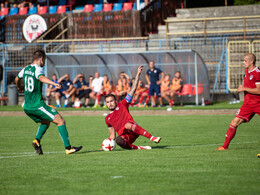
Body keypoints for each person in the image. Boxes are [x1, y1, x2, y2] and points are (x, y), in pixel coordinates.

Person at [15, 49, 82, 155]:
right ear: (41, 59)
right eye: (44, 60)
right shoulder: (38, 69)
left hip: (27, 106)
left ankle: (36, 141)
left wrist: (19, 87)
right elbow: (41, 77)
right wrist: (54, 83)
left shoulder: (26, 68)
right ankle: (68, 148)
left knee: (46, 122)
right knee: (60, 121)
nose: (44, 63)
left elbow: (17, 79)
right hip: (37, 105)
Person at [104, 65, 161, 150]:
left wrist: (138, 74)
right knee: (118, 140)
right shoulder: (107, 118)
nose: (110, 104)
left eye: (111, 101)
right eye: (108, 102)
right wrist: (105, 145)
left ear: (116, 101)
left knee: (127, 125)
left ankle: (152, 137)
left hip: (133, 129)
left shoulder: (122, 104)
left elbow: (133, 90)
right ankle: (139, 148)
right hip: (126, 136)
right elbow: (112, 135)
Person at [217, 53, 260, 151]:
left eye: (245, 61)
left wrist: (243, 88)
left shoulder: (257, 73)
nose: (243, 62)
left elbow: (259, 90)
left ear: (251, 61)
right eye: (243, 60)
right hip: (248, 105)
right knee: (234, 122)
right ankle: (224, 147)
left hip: (258, 103)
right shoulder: (246, 71)